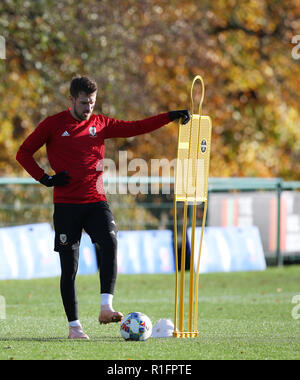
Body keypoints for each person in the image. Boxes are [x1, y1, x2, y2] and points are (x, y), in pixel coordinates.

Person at [16, 75, 190, 340]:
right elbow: (23, 152)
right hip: (66, 206)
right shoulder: (53, 125)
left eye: (93, 103)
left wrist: (169, 116)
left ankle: (106, 307)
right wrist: (45, 178)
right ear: (72, 99)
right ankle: (74, 327)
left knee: (110, 241)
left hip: (96, 201)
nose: (89, 108)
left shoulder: (101, 123)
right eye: (84, 102)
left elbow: (137, 126)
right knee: (69, 268)